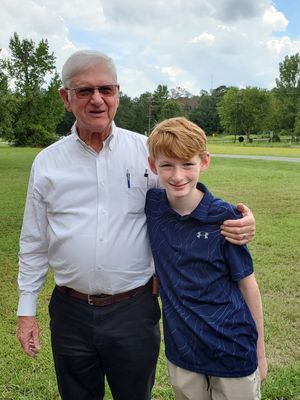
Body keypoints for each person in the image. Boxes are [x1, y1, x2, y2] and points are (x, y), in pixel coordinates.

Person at [16, 50, 256, 400]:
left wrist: (237, 218)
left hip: (133, 311)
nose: (97, 99)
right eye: (84, 91)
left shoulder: (145, 152)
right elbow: (34, 240)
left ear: (118, 93)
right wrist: (26, 311)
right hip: (70, 313)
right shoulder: (47, 163)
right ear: (66, 98)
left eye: (106, 89)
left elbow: (186, 196)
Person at [145, 117, 267, 400]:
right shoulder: (151, 206)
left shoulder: (225, 218)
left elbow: (248, 285)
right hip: (182, 352)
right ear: (153, 167)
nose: (178, 176)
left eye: (188, 164)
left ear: (204, 161)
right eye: (167, 166)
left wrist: (260, 353)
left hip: (233, 348)